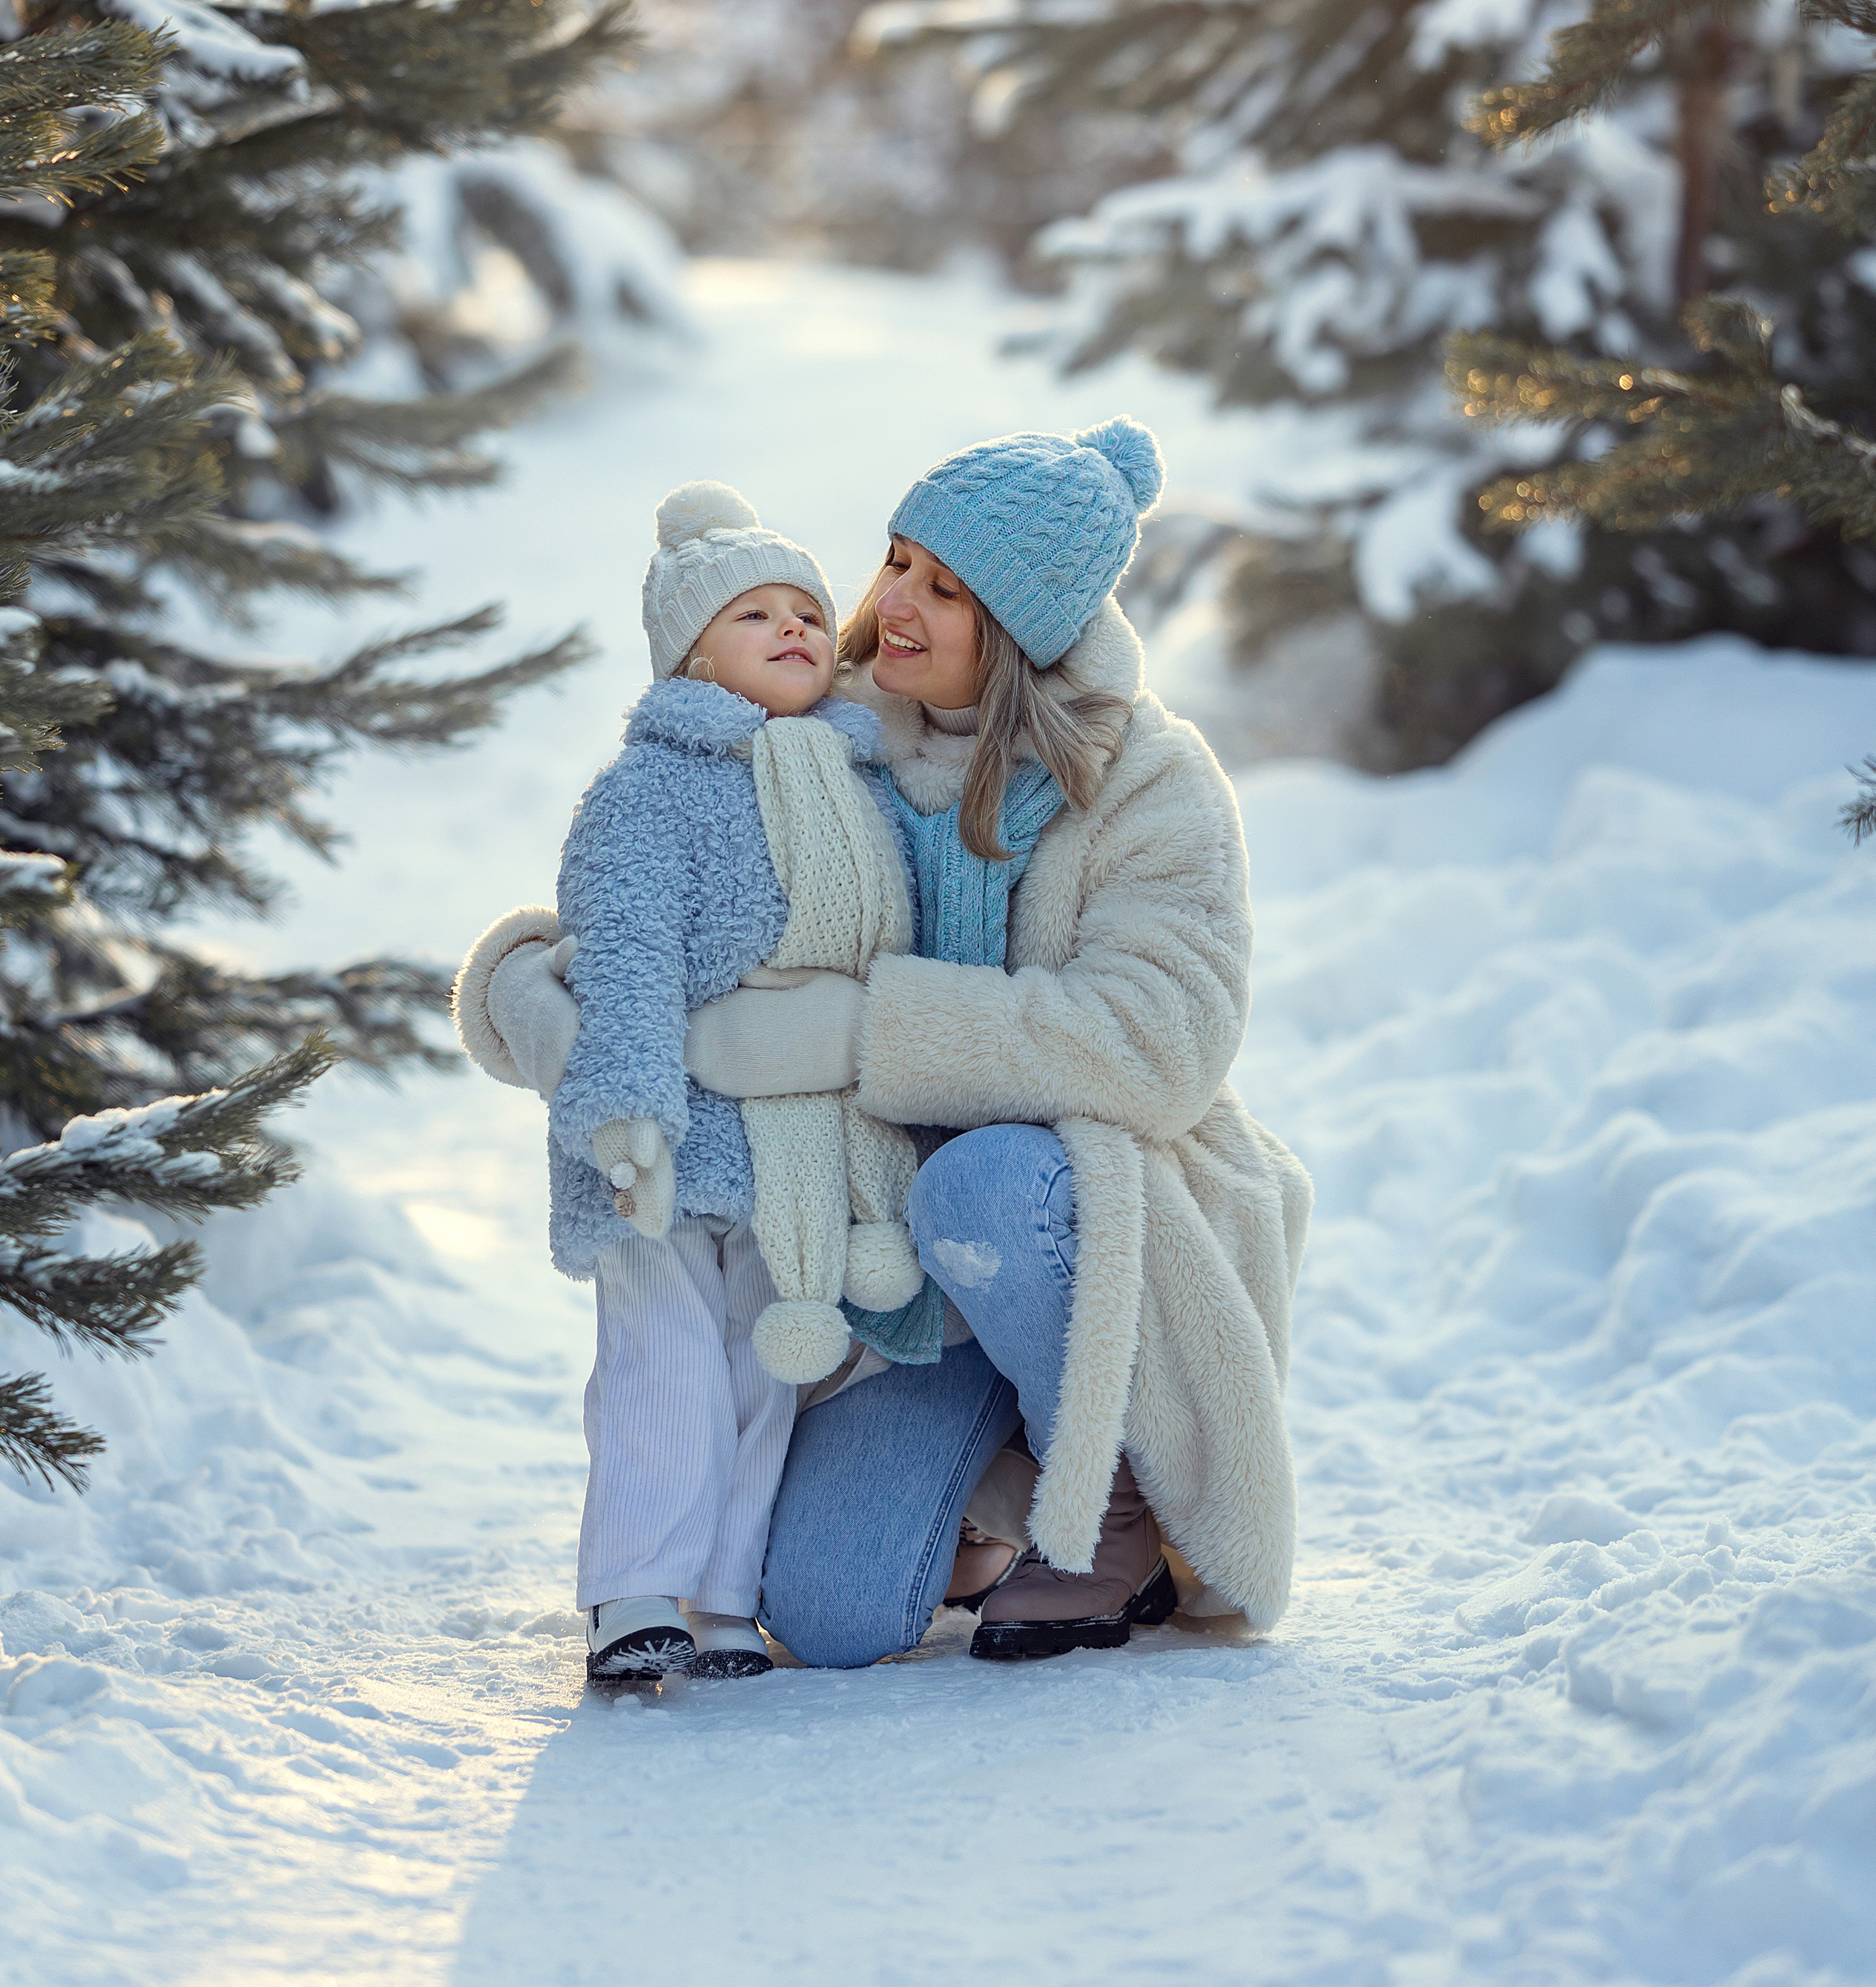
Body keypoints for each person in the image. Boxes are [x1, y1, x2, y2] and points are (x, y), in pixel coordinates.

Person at [465, 418, 1313, 1669]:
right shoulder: (834, 720)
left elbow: (1161, 1040)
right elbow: (641, 887)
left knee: (986, 1182)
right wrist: (546, 1013)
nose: (890, 607)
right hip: (884, 1261)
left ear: (1019, 629)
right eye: (898, 561)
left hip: (1055, 1226)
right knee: (829, 1612)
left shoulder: (1149, 779)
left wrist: (859, 1032)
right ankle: (1006, 1490)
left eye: (945, 589)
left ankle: (1116, 1493)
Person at [452, 482, 921, 1684]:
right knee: (661, 1357)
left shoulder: (855, 781)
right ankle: (634, 1591)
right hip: (658, 1135)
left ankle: (721, 1595)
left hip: (792, 1145)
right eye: (754, 614)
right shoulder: (648, 788)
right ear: (691, 658)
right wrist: (624, 1109)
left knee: (769, 1363)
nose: (795, 630)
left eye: (809, 612)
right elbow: (625, 951)